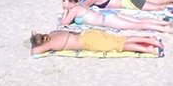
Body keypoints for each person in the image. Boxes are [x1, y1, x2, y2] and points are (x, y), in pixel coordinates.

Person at [59, 0, 173, 33]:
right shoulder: (80, 6)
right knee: (138, 21)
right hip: (109, 15)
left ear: (70, 1)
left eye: (64, 1)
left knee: (137, 25)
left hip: (107, 20)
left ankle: (166, 29)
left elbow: (64, 23)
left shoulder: (74, 9)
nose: (63, 3)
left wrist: (65, 11)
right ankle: (167, 24)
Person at [29, 29, 163, 55]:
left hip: (87, 41)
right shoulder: (54, 33)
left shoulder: (50, 44)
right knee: (121, 39)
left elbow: (34, 51)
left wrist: (37, 44)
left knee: (119, 46)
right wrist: (35, 34)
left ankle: (148, 49)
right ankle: (148, 39)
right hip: (89, 33)